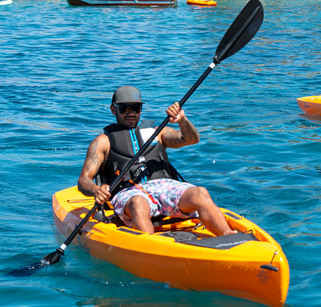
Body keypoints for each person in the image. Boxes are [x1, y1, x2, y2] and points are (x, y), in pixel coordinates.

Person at [77, 86, 236, 236]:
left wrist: (182, 120)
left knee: (200, 193)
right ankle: (152, 248)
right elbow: (84, 180)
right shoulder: (102, 142)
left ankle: (229, 236)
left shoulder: (158, 132)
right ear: (113, 110)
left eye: (136, 108)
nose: (131, 112)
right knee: (139, 203)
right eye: (124, 108)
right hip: (129, 194)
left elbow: (192, 139)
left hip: (165, 187)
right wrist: (96, 190)